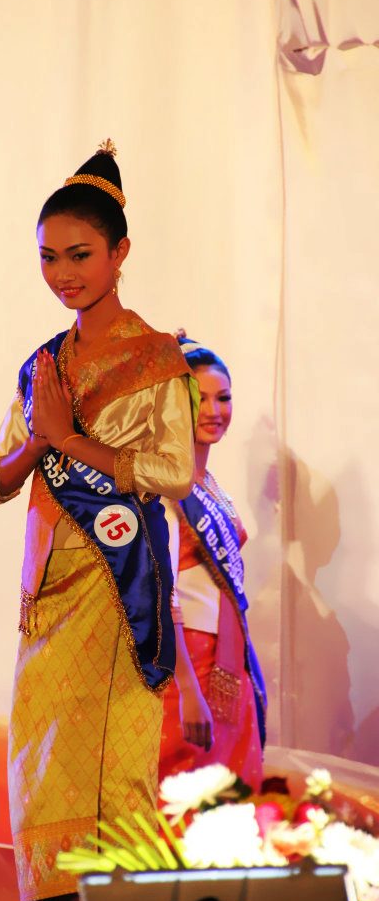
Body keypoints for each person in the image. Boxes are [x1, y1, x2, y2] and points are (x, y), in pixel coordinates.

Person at [0, 143, 202, 901]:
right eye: (48, 257)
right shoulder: (43, 365)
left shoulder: (156, 359)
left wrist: (72, 440)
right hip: (46, 608)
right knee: (47, 789)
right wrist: (41, 442)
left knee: (112, 792)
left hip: (115, 601)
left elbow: (174, 471)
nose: (63, 274)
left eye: (79, 255)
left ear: (119, 254)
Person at [158, 335, 267, 792]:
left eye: (223, 398)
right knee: (186, 791)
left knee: (233, 792)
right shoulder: (165, 484)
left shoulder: (211, 485)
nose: (213, 410)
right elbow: (162, 593)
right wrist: (186, 686)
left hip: (227, 663)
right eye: (198, 398)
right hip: (187, 666)